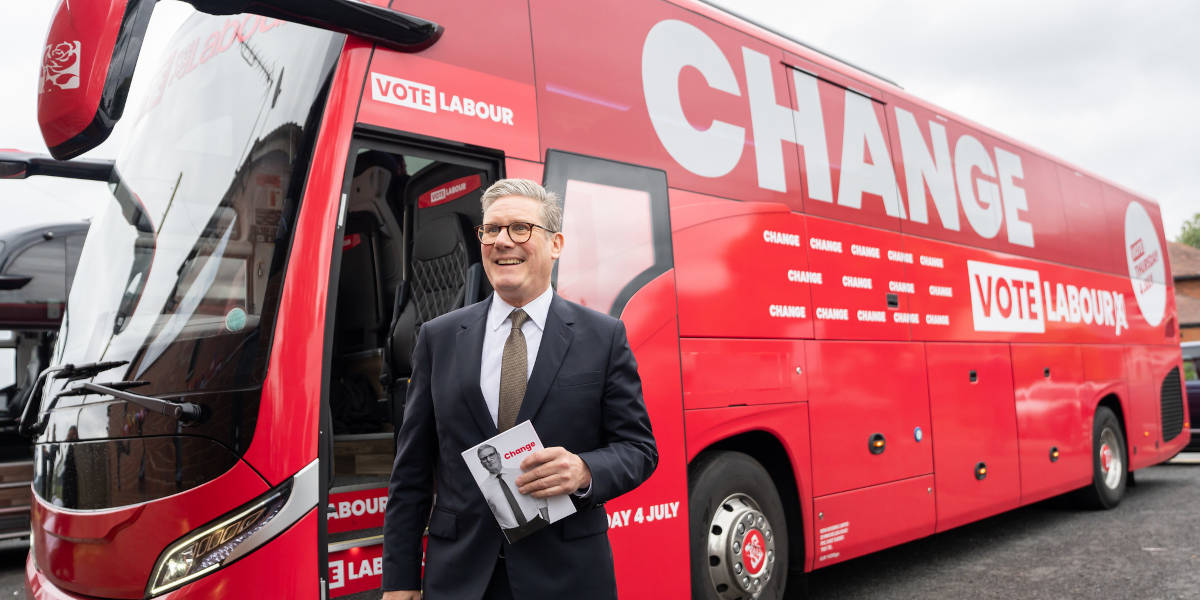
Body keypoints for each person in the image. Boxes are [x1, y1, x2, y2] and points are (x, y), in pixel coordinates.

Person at [382, 179, 657, 600]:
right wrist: (400, 583)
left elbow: (639, 449)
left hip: (567, 577)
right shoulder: (438, 338)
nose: (502, 241)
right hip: (461, 578)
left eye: (520, 229)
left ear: (556, 244)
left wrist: (584, 471)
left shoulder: (603, 337)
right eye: (491, 230)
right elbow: (412, 471)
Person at [474, 444, 549, 541]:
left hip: (537, 523)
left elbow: (538, 496)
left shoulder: (521, 473)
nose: (488, 459)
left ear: (498, 455)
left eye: (491, 455)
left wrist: (546, 520)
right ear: (482, 464)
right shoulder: (483, 489)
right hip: (511, 534)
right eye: (484, 458)